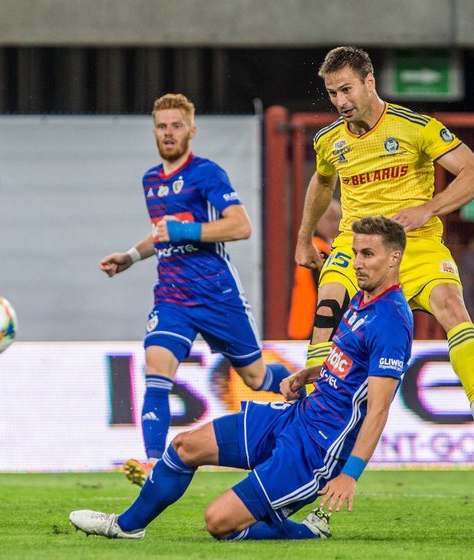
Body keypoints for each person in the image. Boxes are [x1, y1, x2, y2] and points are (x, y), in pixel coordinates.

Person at [72, 215, 413, 540]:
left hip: (317, 449)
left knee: (219, 523)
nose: (357, 263)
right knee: (184, 447)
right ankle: (126, 526)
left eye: (368, 254)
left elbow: (378, 408)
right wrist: (308, 374)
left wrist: (349, 475)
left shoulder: (391, 321)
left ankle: (307, 530)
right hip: (298, 415)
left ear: (394, 257)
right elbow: (350, 367)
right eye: (355, 253)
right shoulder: (361, 300)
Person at [294, 46, 474, 444]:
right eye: (332, 94)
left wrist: (430, 208)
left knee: (452, 306)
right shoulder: (329, 141)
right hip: (355, 244)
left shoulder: (416, 127)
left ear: (369, 82)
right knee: (327, 306)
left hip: (417, 246)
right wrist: (305, 237)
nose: (340, 101)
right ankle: (312, 419)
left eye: (347, 90)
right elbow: (323, 182)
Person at [99, 93, 294, 486]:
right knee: (156, 371)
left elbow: (240, 226)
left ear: (191, 130)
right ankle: (154, 464)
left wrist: (184, 231)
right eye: (161, 126)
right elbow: (162, 235)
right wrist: (131, 256)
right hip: (172, 296)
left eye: (176, 126)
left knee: (256, 379)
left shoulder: (207, 173)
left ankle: (306, 389)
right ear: (153, 130)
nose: (168, 133)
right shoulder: (151, 181)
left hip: (217, 295)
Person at [287, 199, 341, 340]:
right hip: (312, 326)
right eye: (330, 219)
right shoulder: (318, 250)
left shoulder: (322, 247)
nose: (336, 224)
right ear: (316, 221)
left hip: (306, 325)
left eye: (339, 219)